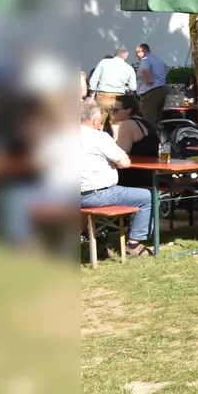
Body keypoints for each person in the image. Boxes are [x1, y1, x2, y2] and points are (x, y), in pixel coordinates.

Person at [80, 101, 155, 256]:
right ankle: (133, 245)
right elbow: (125, 162)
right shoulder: (98, 137)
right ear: (95, 121)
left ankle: (91, 240)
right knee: (149, 196)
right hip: (96, 194)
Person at [108, 94, 162, 190]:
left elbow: (122, 152)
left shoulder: (127, 124)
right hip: (153, 173)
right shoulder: (145, 123)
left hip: (136, 176)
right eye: (111, 109)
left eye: (116, 110)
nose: (112, 113)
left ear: (128, 110)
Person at [88, 47, 137, 115]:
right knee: (115, 121)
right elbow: (133, 87)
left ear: (115, 54)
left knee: (101, 121)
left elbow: (93, 80)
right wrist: (124, 88)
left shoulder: (103, 62)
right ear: (126, 57)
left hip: (103, 95)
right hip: (119, 97)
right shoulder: (129, 68)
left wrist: (92, 94)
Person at [133, 43, 168, 122]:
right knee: (157, 117)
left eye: (137, 52)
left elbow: (145, 70)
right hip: (161, 88)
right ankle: (158, 133)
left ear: (143, 51)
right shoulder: (157, 59)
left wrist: (148, 80)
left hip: (150, 92)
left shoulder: (145, 60)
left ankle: (151, 134)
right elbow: (166, 69)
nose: (136, 55)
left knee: (148, 118)